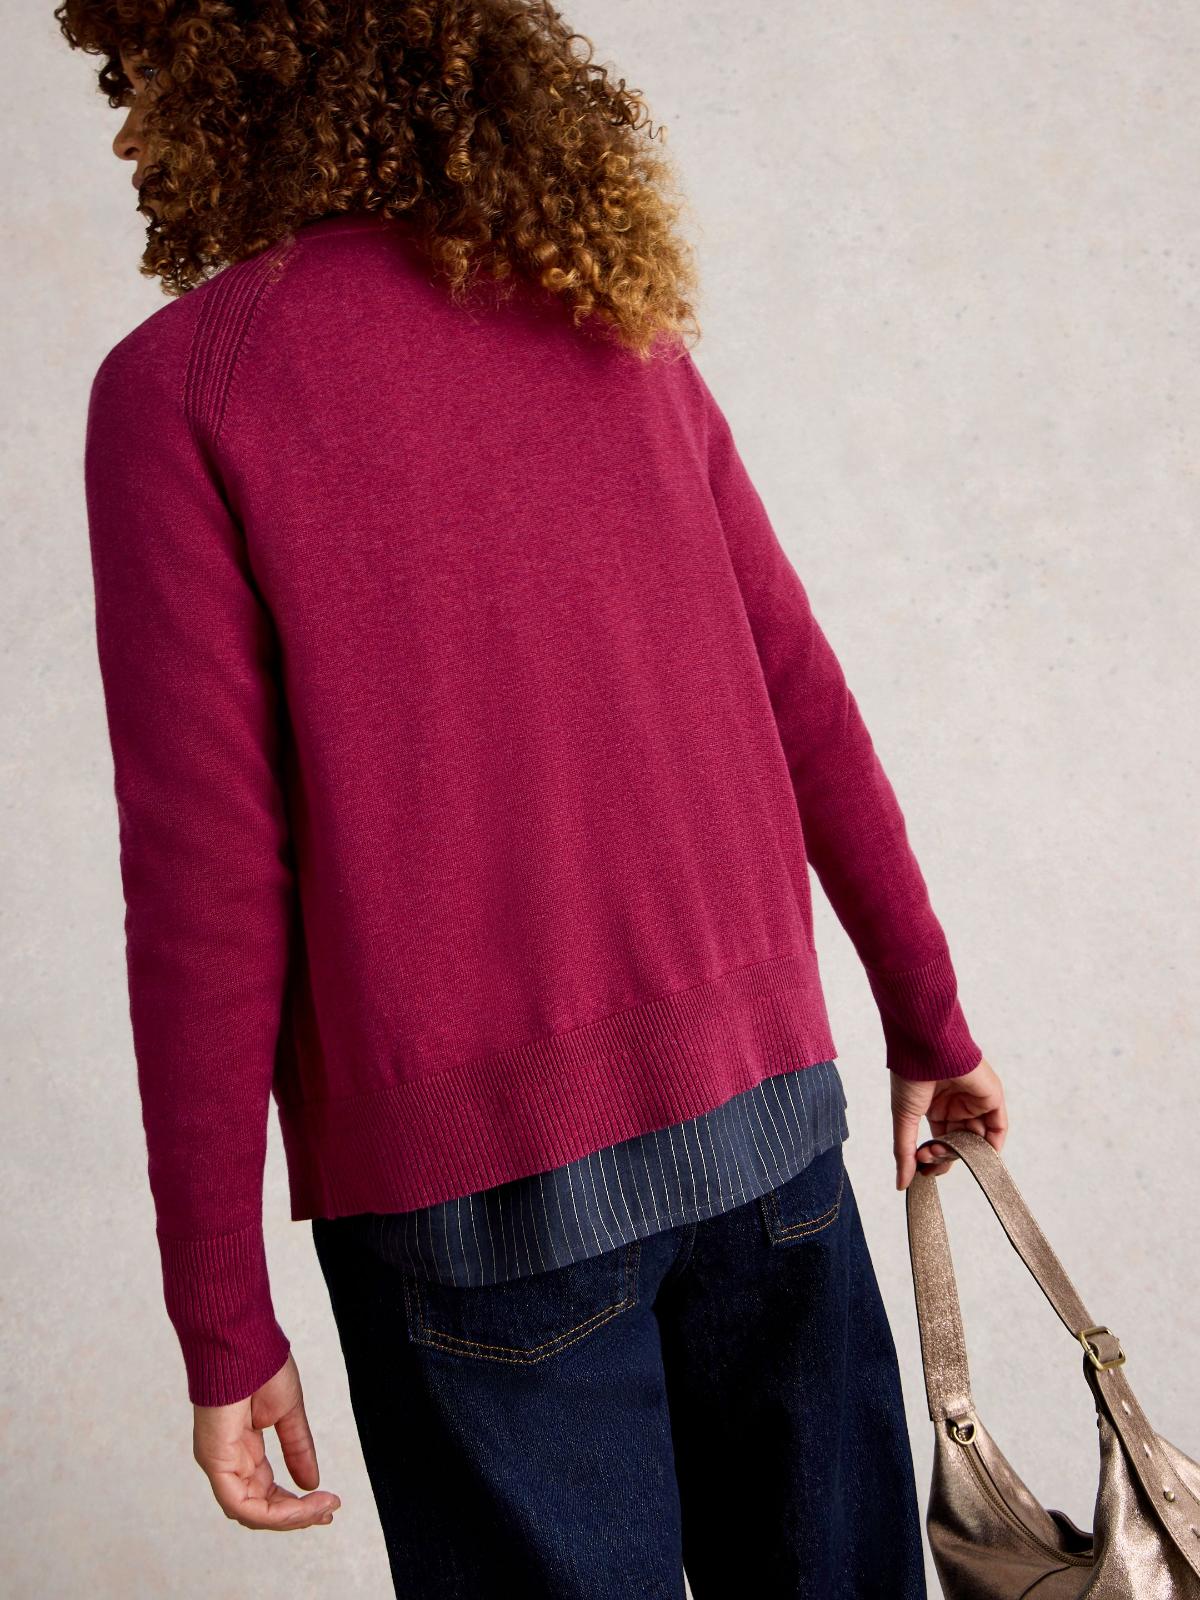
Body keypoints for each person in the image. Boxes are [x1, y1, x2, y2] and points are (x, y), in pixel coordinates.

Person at [61, 2, 1008, 1595]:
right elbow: (802, 689)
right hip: (764, 1128)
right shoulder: (599, 305)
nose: (126, 112)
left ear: (205, 78)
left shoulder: (187, 391)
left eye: (134, 73)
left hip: (477, 1214)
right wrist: (930, 1016)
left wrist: (221, 1315)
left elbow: (208, 885)